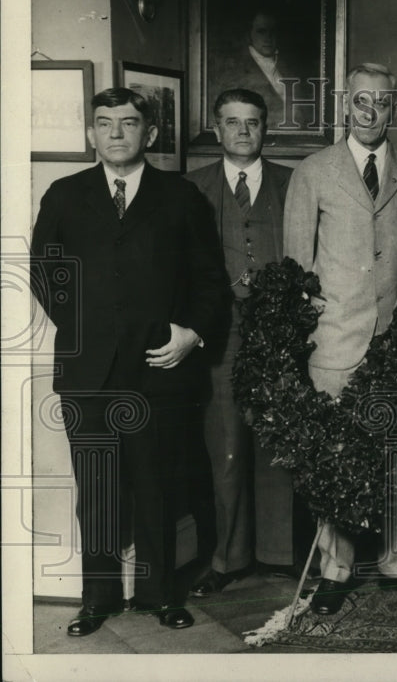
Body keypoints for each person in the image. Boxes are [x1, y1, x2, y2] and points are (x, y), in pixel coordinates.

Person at [30, 88, 229, 637]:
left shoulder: (181, 197)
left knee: (156, 485)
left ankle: (160, 594)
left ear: (151, 133)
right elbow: (46, 274)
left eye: (128, 123)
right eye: (104, 123)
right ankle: (96, 599)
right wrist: (90, 329)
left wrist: (190, 334)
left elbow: (211, 282)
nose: (115, 133)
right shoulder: (64, 195)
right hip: (88, 373)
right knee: (95, 489)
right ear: (91, 133)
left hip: (160, 368)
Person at [283, 62, 397, 617]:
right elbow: (295, 271)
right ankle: (337, 568)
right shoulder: (313, 172)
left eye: (383, 102)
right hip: (334, 343)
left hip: (396, 341)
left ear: (394, 107)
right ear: (346, 104)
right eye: (361, 101)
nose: (372, 111)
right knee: (335, 458)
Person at [185, 89, 296, 596]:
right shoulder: (190, 188)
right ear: (216, 129)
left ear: (265, 127)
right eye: (232, 122)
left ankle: (278, 554)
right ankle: (229, 559)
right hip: (218, 335)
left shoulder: (293, 183)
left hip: (280, 333)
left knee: (277, 443)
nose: (243, 131)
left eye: (252, 122)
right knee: (224, 446)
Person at [210, 10, 313, 132]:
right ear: (249, 34)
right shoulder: (233, 72)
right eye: (261, 31)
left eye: (273, 32)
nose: (268, 38)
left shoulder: (291, 68)